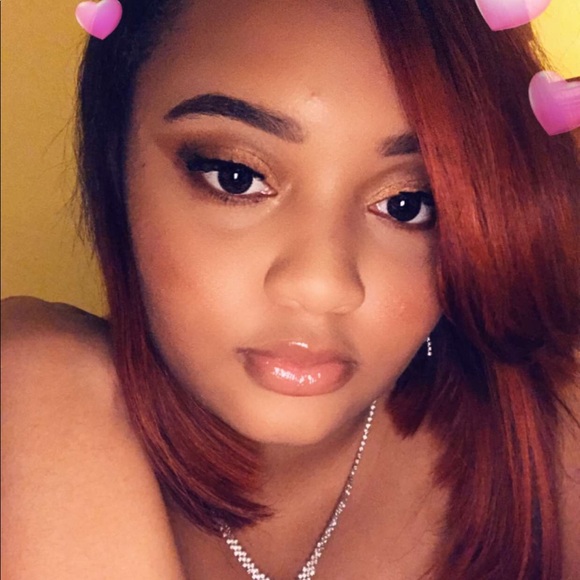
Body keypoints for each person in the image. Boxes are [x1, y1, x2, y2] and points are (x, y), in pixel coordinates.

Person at [2, 0, 579, 578]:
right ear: (116, 162)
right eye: (236, 177)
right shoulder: (35, 391)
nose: (322, 285)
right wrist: (44, 381)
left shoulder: (550, 429)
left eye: (407, 204)